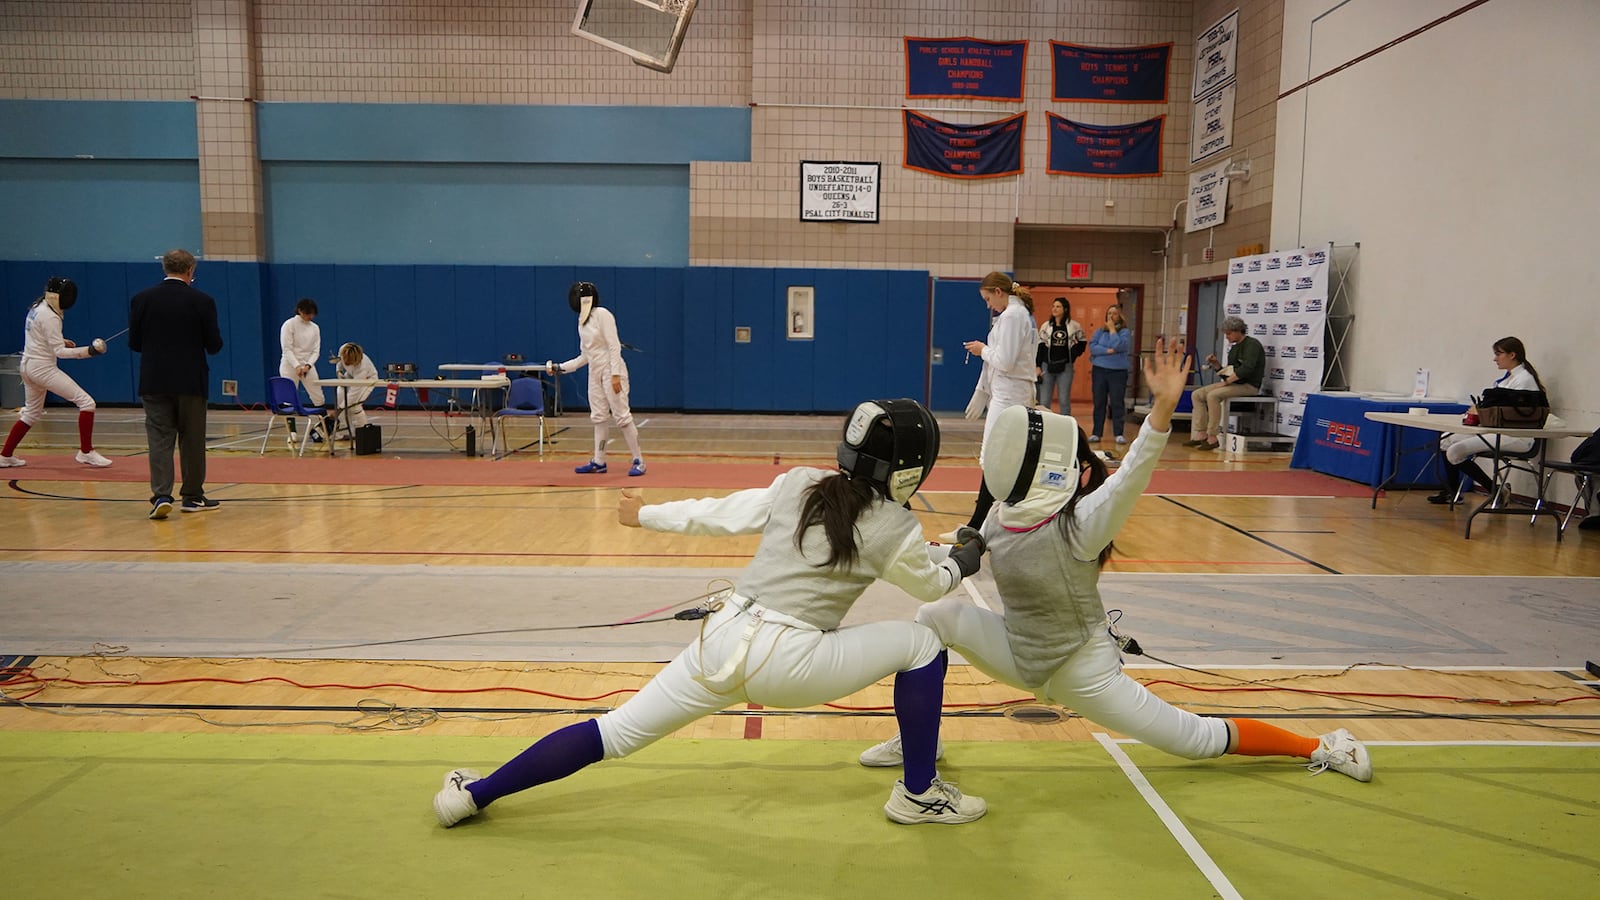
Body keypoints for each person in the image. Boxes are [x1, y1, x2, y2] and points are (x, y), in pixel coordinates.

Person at [432, 399, 990, 827]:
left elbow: (722, 513)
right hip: (794, 659)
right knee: (923, 645)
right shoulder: (894, 525)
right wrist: (963, 559)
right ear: (910, 468)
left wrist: (645, 516)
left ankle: (472, 795)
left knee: (614, 732)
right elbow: (930, 584)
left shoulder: (801, 483)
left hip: (720, 638)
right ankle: (919, 792)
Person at [859, 339, 1373, 788]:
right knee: (934, 620)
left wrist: (1162, 411)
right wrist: (888, 550)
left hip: (1082, 670)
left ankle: (1321, 744)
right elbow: (952, 559)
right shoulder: (1003, 514)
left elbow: (1130, 477)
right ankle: (918, 743)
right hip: (1019, 651)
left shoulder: (1081, 524)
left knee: (1194, 739)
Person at [938, 272, 1037, 544]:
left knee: (994, 459)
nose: (987, 305)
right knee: (997, 460)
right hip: (1005, 393)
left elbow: (1003, 361)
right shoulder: (1009, 316)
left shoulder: (1014, 317)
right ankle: (983, 525)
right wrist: (982, 390)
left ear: (998, 292)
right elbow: (998, 363)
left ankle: (979, 526)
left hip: (1011, 395)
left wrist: (982, 349)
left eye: (987, 299)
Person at [128, 249, 224, 519]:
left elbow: (134, 343)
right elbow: (214, 345)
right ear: (190, 270)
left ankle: (161, 496)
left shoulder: (142, 299)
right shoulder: (202, 300)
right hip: (190, 380)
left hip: (154, 379)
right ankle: (192, 496)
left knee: (159, 439)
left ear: (165, 268)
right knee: (192, 439)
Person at [0, 277, 113, 469]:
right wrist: (89, 352)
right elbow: (59, 353)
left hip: (27, 366)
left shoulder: (38, 307)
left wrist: (60, 340)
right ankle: (86, 452)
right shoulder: (50, 316)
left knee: (31, 414)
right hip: (42, 368)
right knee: (87, 402)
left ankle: (5, 456)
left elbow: (40, 336)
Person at [1427, 337, 1546, 505]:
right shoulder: (1507, 379)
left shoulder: (1524, 380)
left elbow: (1511, 413)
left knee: (1454, 452)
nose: (1495, 358)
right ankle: (1451, 492)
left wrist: (1482, 411)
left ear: (1512, 355)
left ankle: (1495, 490)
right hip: (1499, 431)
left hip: (1517, 436)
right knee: (1446, 440)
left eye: (1499, 354)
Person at [552, 281, 646, 476]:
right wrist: (560, 368)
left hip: (611, 370)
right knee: (599, 417)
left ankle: (639, 461)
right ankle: (599, 461)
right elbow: (584, 356)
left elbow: (614, 346)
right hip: (594, 372)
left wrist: (615, 375)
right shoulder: (582, 321)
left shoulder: (603, 314)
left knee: (621, 416)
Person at [1184, 315, 1265, 451]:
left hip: (1249, 386)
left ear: (1239, 330)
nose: (1226, 337)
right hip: (1234, 384)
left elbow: (1247, 369)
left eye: (1229, 333)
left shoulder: (1252, 345)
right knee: (1197, 395)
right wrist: (1216, 365)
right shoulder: (1233, 349)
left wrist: (1227, 382)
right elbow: (1229, 371)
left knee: (1213, 396)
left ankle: (1212, 437)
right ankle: (1201, 433)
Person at [279, 297, 332, 444]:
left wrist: (307, 365)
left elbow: (316, 351)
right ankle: (292, 432)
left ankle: (325, 429)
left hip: (308, 366)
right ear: (301, 311)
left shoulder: (315, 328)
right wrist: (297, 366)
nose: (311, 317)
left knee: (318, 397)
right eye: (308, 314)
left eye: (313, 314)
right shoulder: (289, 325)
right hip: (290, 365)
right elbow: (287, 349)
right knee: (288, 400)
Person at [1088, 304, 1132, 445]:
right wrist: (1107, 351)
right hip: (1099, 370)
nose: (1111, 316)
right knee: (1099, 402)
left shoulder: (1124, 332)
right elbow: (1093, 347)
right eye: (1109, 313)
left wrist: (1113, 330)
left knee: (1117, 402)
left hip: (1117, 372)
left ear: (1120, 316)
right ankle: (1096, 433)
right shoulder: (1100, 331)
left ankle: (1118, 433)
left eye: (1114, 313)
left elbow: (1119, 346)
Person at [1036, 297, 1086, 415]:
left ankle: (1066, 427)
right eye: (1053, 306)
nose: (1054, 309)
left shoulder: (1074, 326)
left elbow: (1083, 342)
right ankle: (1045, 427)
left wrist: (1073, 355)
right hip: (1047, 366)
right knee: (1044, 401)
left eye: (1058, 306)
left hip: (1065, 367)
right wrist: (1038, 366)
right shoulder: (1046, 326)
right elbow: (1040, 347)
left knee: (1064, 400)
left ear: (1065, 309)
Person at [330, 341, 378, 438]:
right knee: (340, 398)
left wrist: (339, 409)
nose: (346, 363)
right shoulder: (343, 349)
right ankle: (348, 432)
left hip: (367, 380)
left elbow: (353, 393)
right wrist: (338, 371)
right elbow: (339, 361)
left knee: (355, 406)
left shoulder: (362, 367)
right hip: (350, 376)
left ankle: (364, 433)